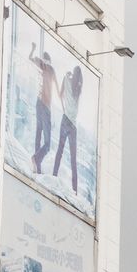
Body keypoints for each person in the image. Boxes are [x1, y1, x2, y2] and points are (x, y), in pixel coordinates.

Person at [51, 64, 83, 193]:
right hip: (73, 126)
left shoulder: (67, 79)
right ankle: (75, 190)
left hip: (65, 120)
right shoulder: (79, 88)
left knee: (60, 150)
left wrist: (67, 74)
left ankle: (54, 176)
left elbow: (60, 94)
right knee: (73, 159)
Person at [29, 43, 59, 172]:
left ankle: (37, 167)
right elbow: (58, 90)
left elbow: (30, 58)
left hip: (38, 103)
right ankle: (36, 159)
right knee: (47, 144)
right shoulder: (51, 69)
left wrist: (33, 49)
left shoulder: (41, 65)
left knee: (38, 134)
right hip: (45, 106)